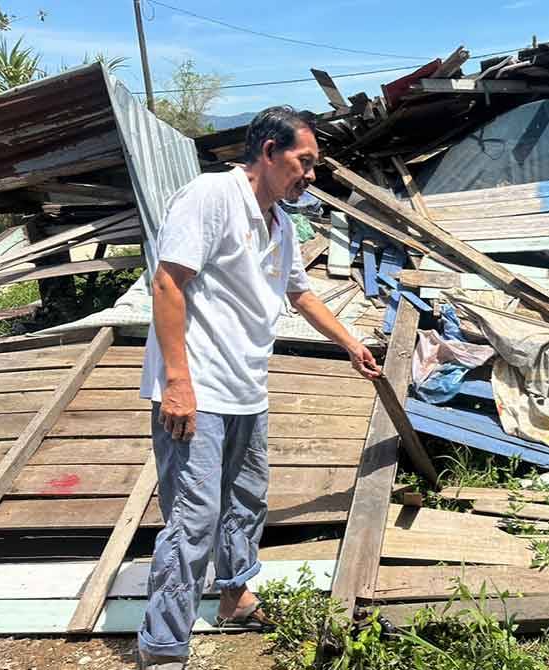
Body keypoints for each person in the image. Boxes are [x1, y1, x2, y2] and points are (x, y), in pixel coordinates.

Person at [137, 106, 380, 670]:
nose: (311, 174)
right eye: (305, 161)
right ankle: (162, 647)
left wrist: (350, 342)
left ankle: (234, 595)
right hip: (197, 387)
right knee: (193, 518)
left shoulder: (281, 224)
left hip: (247, 387)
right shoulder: (211, 196)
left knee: (245, 502)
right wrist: (176, 382)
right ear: (269, 152)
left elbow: (301, 294)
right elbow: (169, 283)